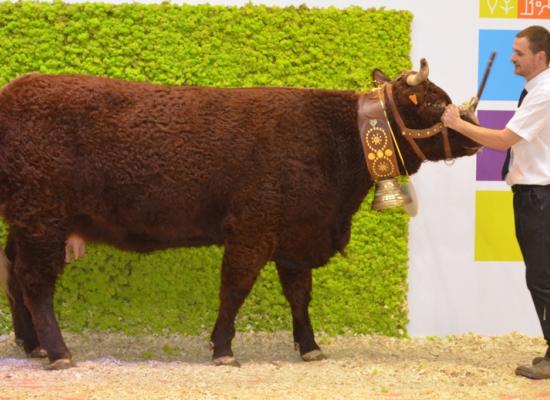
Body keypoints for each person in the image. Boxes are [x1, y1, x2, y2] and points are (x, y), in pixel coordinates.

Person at [441, 25, 550, 379]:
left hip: (539, 197)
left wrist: (458, 125)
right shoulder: (535, 90)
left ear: (541, 57)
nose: (511, 58)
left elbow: (503, 140)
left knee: (542, 278)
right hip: (535, 196)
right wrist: (471, 122)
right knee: (542, 276)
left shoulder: (544, 92)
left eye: (519, 53)